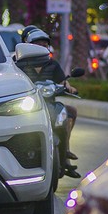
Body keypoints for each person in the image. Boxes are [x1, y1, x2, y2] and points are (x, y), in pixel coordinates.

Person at [16, 26, 79, 161]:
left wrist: (69, 87)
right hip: (27, 106)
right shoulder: (19, 64)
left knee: (69, 112)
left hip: (50, 104)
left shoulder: (53, 64)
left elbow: (63, 81)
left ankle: (65, 149)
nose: (42, 48)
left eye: (44, 46)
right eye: (38, 45)